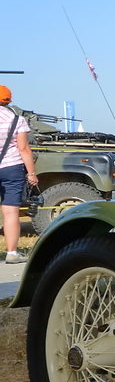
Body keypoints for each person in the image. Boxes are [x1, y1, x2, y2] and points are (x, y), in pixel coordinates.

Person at [0, 86, 36, 264]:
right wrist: (31, 173)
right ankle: (12, 253)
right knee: (11, 212)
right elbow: (24, 148)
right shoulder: (17, 119)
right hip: (12, 168)